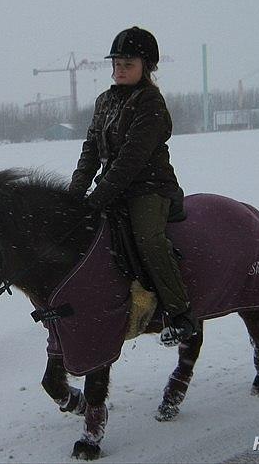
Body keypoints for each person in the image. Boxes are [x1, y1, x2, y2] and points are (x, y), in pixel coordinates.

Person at [68, 26, 198, 345]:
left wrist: (96, 199)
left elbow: (131, 160)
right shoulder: (105, 101)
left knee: (147, 238)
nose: (120, 70)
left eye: (128, 64)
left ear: (146, 67)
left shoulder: (150, 102)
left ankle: (180, 313)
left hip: (148, 188)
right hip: (113, 189)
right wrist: (73, 196)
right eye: (116, 64)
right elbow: (90, 150)